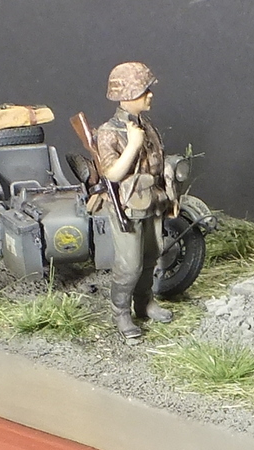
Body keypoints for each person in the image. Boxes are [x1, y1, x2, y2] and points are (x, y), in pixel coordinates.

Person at [94, 62, 173, 338]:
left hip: (152, 201)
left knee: (151, 255)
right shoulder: (109, 132)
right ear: (127, 95)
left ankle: (144, 302)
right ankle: (121, 312)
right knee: (129, 266)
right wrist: (133, 145)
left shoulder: (145, 125)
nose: (150, 95)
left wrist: (170, 194)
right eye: (143, 91)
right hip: (126, 207)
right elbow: (113, 174)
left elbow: (157, 163)